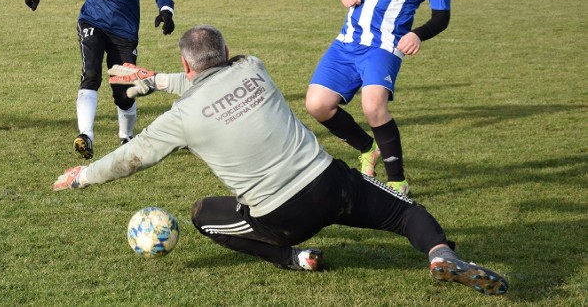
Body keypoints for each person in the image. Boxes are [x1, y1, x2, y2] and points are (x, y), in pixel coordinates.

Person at [52, 25, 508, 297]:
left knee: (203, 214)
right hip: (332, 183)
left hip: (280, 216)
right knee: (406, 212)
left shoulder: (182, 119)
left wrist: (82, 177)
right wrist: (155, 80)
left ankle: (292, 258)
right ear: (227, 54)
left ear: (187, 67)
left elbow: (131, 157)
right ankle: (440, 255)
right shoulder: (254, 67)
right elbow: (209, 74)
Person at [305, 0, 451, 196]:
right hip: (347, 40)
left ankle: (397, 182)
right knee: (317, 105)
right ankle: (367, 148)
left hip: (385, 46)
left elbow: (441, 17)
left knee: (373, 106)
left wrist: (417, 34)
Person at [24, 0, 175, 159]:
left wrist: (166, 11)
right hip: (92, 22)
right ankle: (86, 135)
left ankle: (126, 137)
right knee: (91, 73)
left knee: (124, 93)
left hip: (125, 33)